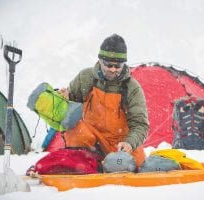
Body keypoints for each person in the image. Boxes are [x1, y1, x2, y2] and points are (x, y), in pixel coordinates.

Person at [59, 34, 149, 167]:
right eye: (109, 65)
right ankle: (87, 160)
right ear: (100, 60)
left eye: (118, 66)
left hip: (120, 143)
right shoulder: (86, 77)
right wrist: (61, 96)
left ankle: (101, 163)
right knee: (77, 131)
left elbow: (140, 124)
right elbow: (69, 101)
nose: (113, 70)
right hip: (92, 138)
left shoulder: (132, 88)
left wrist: (129, 143)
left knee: (138, 164)